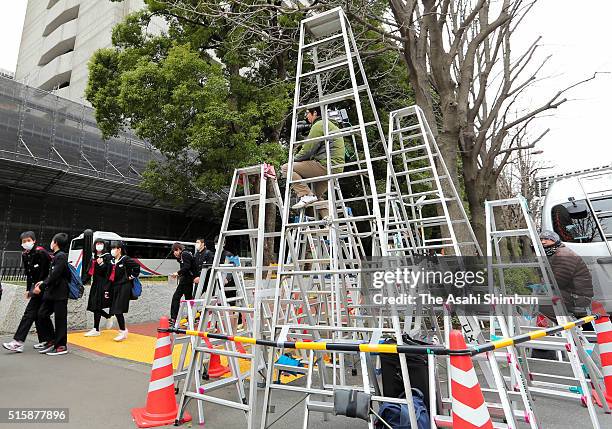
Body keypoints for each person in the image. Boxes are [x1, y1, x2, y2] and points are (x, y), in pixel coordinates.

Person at [281, 106, 345, 214]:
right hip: (336, 168)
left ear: (315, 113)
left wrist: (293, 160)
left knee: (286, 168)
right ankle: (327, 222)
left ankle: (305, 195)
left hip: (324, 165)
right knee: (316, 195)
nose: (306, 116)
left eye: (307, 113)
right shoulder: (331, 125)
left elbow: (308, 150)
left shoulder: (319, 125)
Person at [2, 231, 52, 353]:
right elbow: (29, 274)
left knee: (31, 314)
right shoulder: (25, 255)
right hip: (35, 289)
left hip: (45, 288)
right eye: (24, 241)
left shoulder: (41, 252)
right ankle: (47, 340)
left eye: (28, 240)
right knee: (38, 315)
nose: (26, 243)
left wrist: (42, 285)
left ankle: (18, 342)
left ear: (34, 241)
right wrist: (28, 289)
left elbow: (51, 271)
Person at [539, 230, 594, 320]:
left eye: (547, 239)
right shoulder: (555, 253)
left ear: (555, 240)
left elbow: (559, 282)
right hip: (572, 294)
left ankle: (565, 329)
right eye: (541, 239)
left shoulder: (563, 254)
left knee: (541, 303)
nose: (543, 241)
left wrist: (541, 284)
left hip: (577, 298)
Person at [32, 233, 70, 356]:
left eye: (52, 241)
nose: (51, 243)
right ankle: (51, 340)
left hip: (60, 293)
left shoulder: (61, 256)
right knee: (41, 314)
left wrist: (42, 285)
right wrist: (43, 282)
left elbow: (56, 274)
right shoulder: (56, 256)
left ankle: (61, 346)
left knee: (60, 320)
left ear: (55, 243)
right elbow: (52, 274)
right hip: (52, 292)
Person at [108, 241, 139, 341]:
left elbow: (136, 266)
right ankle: (122, 330)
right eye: (111, 248)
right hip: (115, 287)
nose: (112, 250)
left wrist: (131, 276)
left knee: (118, 310)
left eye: (114, 248)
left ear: (119, 249)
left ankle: (123, 331)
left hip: (124, 287)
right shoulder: (112, 261)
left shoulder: (125, 259)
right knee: (115, 309)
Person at [83, 239, 113, 336]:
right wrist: (81, 282)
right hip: (95, 284)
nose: (99, 245)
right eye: (97, 243)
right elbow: (89, 272)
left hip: (103, 284)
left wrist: (102, 264)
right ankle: (108, 316)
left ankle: (96, 329)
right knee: (92, 306)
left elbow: (109, 271)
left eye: (101, 244)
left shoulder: (107, 257)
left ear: (104, 246)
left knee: (97, 306)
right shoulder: (93, 257)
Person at [170, 243, 196, 324]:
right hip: (188, 279)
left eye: (175, 251)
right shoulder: (186, 254)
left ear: (178, 249)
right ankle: (193, 315)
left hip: (186, 280)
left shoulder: (184, 254)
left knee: (176, 297)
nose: (174, 253)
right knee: (189, 299)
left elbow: (186, 267)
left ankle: (174, 318)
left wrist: (177, 273)